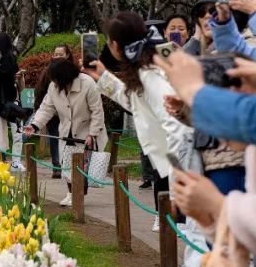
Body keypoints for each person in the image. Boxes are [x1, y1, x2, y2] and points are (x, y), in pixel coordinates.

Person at [82, 12, 193, 213]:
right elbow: (135, 102)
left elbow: (176, 125)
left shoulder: (151, 74)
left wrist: (179, 184)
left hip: (186, 169)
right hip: (179, 166)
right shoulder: (145, 68)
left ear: (115, 45)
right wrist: (102, 76)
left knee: (195, 236)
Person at [24, 58, 107, 206]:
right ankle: (71, 193)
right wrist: (35, 125)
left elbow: (97, 111)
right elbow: (46, 108)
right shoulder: (54, 87)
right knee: (67, 164)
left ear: (63, 76)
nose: (53, 82)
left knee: (83, 167)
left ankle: (77, 194)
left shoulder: (87, 84)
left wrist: (92, 134)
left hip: (86, 131)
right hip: (67, 130)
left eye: (55, 79)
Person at [35, 43, 76, 178]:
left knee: (69, 139)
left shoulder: (74, 72)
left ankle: (68, 166)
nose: (58, 56)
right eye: (56, 54)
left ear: (67, 55)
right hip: (52, 114)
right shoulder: (48, 72)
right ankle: (57, 166)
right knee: (54, 138)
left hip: (70, 114)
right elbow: (41, 93)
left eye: (61, 54)